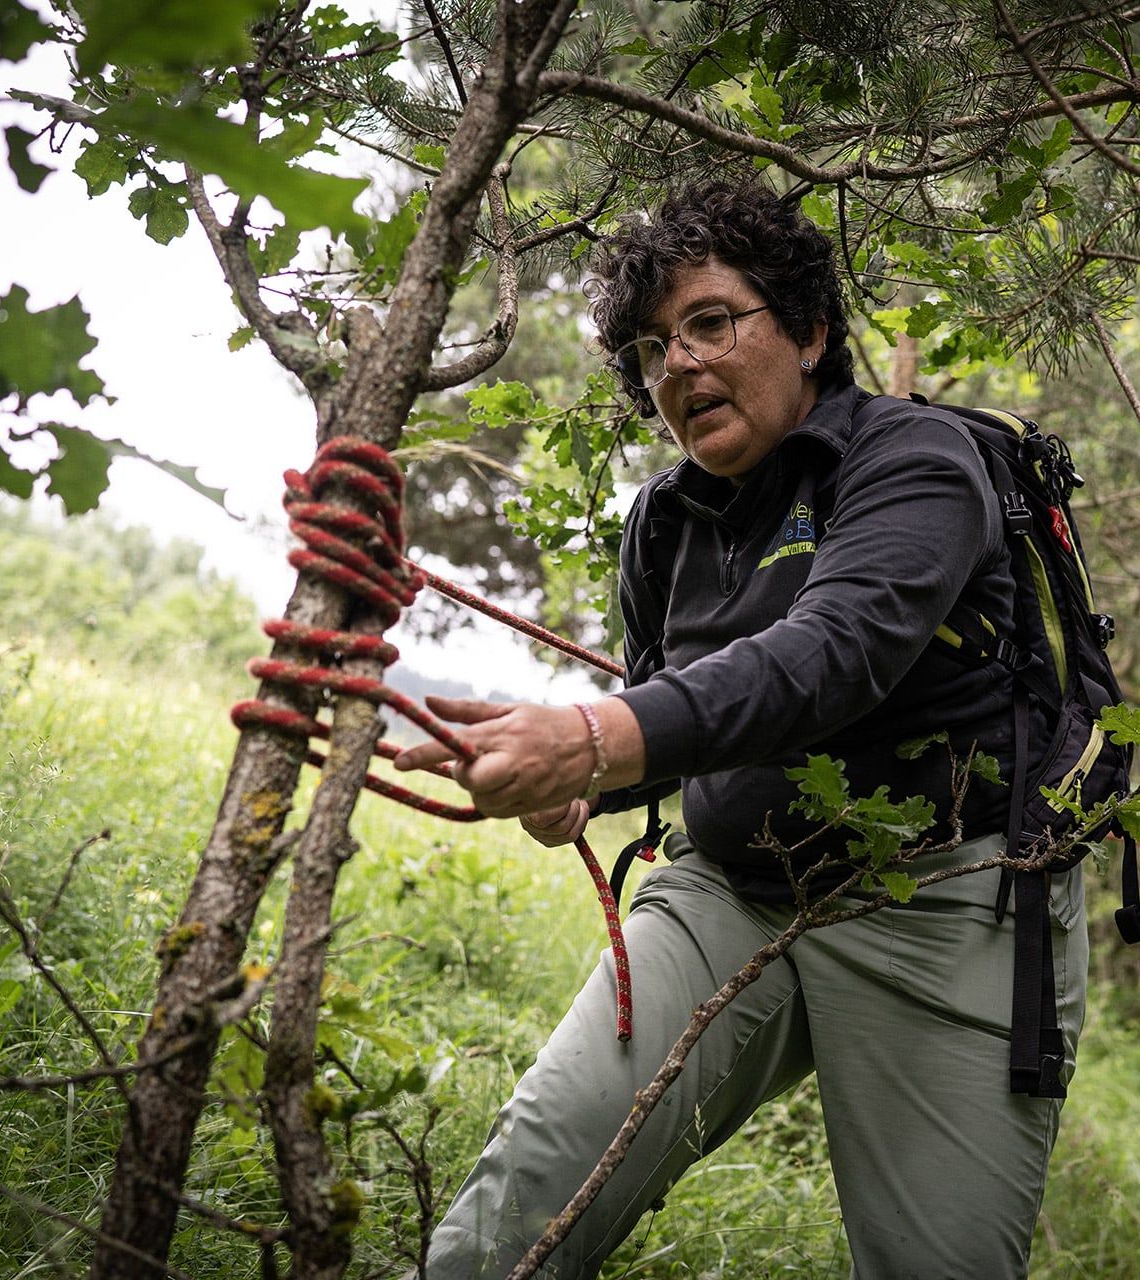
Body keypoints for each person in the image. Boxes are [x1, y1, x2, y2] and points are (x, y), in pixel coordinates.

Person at [396, 180, 1087, 1279]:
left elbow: (834, 653)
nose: (677, 364)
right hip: (726, 887)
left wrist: (589, 737)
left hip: (949, 905)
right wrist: (585, 787)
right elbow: (668, 700)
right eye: (650, 347)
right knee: (526, 1187)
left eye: (711, 322)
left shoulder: (915, 461)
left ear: (809, 331)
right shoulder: (664, 522)